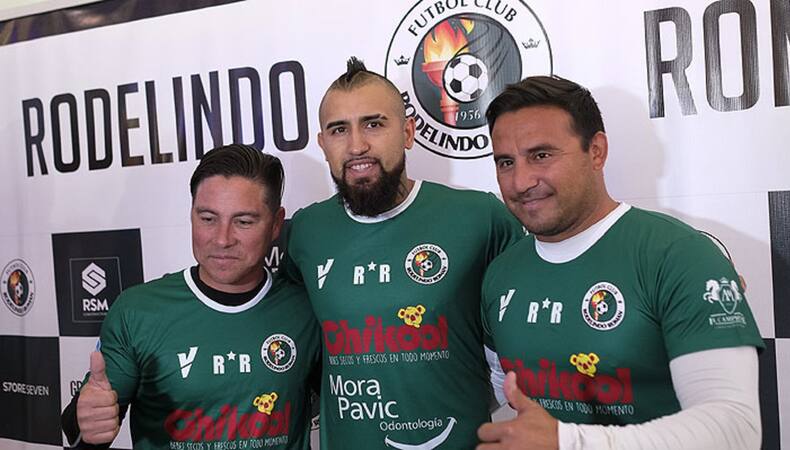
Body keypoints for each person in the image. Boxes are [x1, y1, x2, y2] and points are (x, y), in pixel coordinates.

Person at [477, 75, 764, 449]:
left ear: (596, 151)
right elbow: (500, 389)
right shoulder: (501, 274)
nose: (521, 181)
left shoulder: (681, 254)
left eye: (541, 155)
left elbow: (736, 430)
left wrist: (569, 441)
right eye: (505, 162)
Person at [283, 58, 523, 449]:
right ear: (323, 144)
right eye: (339, 129)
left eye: (373, 124)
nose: (357, 145)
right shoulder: (305, 232)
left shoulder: (481, 218)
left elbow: (520, 338)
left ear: (408, 132)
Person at [61, 144, 321, 449]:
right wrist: (87, 423)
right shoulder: (138, 311)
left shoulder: (307, 307)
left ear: (276, 224)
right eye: (208, 219)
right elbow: (82, 432)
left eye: (244, 221)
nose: (222, 239)